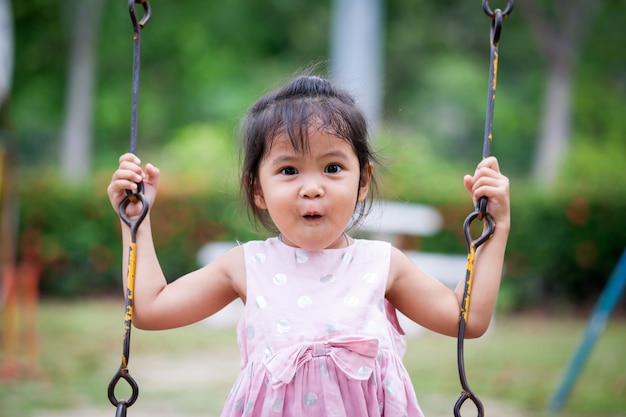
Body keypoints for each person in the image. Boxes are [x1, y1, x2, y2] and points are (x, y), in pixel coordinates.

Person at [107, 75, 510, 417]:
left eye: (333, 168)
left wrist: (497, 228)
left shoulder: (382, 264)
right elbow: (150, 308)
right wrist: (135, 222)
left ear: (363, 180)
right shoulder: (247, 265)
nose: (312, 187)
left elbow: (466, 321)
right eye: (288, 170)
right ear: (257, 188)